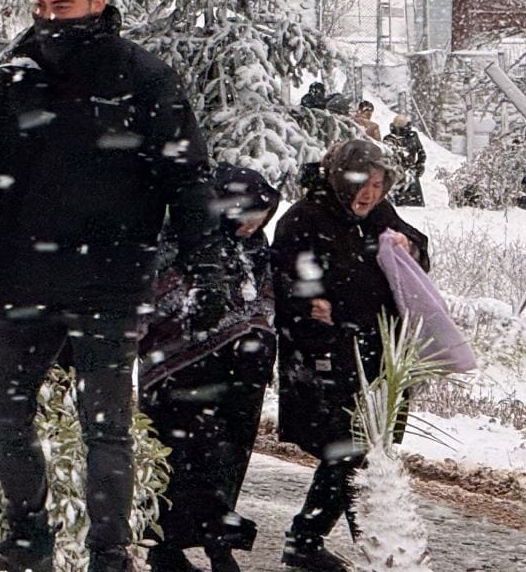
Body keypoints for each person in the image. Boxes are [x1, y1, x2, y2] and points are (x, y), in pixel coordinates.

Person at [0, 0, 225, 572]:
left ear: (99, 0)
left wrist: (209, 265)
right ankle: (27, 538)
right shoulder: (12, 77)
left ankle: (108, 555)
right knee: (4, 415)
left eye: (63, 5)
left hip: (110, 279)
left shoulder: (144, 77)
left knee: (106, 427)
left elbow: (187, 179)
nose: (50, 18)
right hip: (22, 277)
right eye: (40, 6)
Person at [271, 141, 429, 572]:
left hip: (378, 353)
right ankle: (352, 544)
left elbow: (418, 250)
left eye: (379, 185)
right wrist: (310, 303)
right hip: (326, 353)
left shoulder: (379, 215)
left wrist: (407, 245)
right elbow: (284, 278)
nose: (371, 193)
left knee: (368, 448)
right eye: (363, 183)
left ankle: (336, 541)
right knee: (350, 448)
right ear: (341, 179)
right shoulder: (304, 218)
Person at [138, 164, 281, 572]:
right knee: (180, 462)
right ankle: (166, 548)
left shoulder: (255, 247)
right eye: (249, 215)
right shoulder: (184, 239)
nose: (254, 226)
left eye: (262, 217)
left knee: (225, 463)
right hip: (179, 379)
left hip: (238, 381)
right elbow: (163, 298)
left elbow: (262, 302)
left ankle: (218, 543)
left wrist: (253, 336)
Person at [384, 115, 426, 207]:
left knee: (414, 203)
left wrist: (420, 164)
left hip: (411, 172)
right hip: (397, 173)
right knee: (398, 202)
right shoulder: (389, 139)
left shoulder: (413, 136)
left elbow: (421, 152)